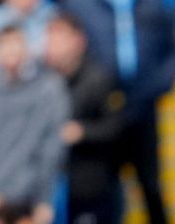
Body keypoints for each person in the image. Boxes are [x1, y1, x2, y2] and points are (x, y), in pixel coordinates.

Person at [60, 0, 173, 224]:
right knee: (104, 190)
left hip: (141, 105)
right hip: (99, 110)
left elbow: (169, 47)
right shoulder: (79, 1)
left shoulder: (150, 0)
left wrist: (161, 81)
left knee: (151, 183)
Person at [0, 25, 68, 224]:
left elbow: (51, 148)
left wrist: (44, 200)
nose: (11, 51)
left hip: (31, 202)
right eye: (4, 45)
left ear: (28, 49)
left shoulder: (49, 90)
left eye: (17, 44)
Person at [43, 13, 124, 224]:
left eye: (60, 37)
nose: (52, 44)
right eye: (49, 37)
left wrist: (82, 132)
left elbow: (117, 127)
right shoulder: (41, 81)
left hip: (91, 185)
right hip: (50, 187)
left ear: (79, 41)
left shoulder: (98, 78)